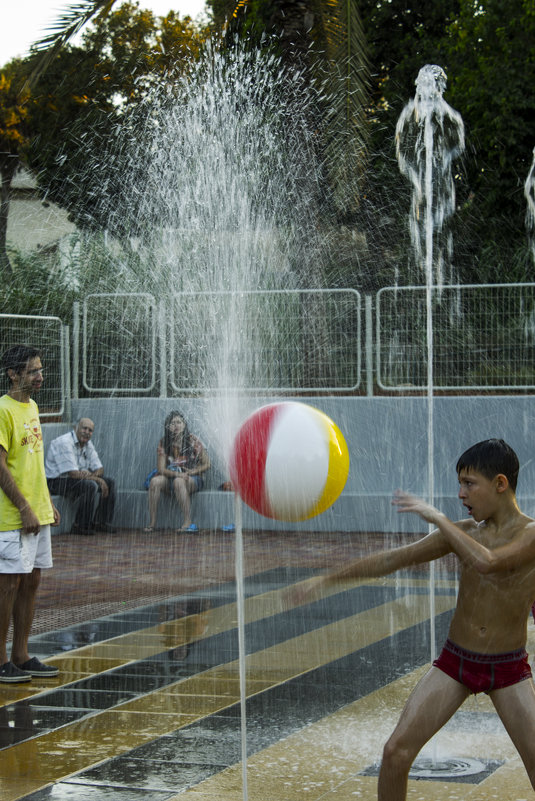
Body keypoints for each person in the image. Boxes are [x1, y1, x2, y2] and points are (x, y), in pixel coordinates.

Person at [291, 439, 535, 800]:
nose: (460, 493)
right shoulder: (465, 532)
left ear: (500, 484)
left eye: (469, 484)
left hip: (509, 668)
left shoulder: (531, 533)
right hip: (457, 662)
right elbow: (394, 559)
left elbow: (490, 563)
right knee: (395, 753)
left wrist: (437, 518)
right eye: (460, 484)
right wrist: (326, 579)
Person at [0, 344, 60, 683]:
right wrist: (23, 506)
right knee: (8, 584)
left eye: (40, 369)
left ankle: (21, 655)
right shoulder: (3, 410)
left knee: (32, 581)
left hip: (37, 511)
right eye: (33, 371)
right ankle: (1, 659)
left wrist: (46, 502)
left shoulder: (33, 407)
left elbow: (33, 462)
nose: (40, 376)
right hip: (11, 515)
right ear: (13, 374)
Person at [45, 418, 116, 535]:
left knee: (110, 483)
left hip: (74, 479)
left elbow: (100, 468)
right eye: (84, 428)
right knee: (90, 485)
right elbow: (73, 474)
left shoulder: (87, 443)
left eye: (90, 430)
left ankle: (101, 522)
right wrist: (96, 479)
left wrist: (92, 475)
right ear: (76, 428)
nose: (87, 432)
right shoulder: (64, 442)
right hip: (55, 481)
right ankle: (80, 525)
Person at [144, 410, 210, 533]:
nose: (176, 426)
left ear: (184, 425)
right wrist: (177, 474)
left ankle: (187, 521)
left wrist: (192, 472)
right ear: (168, 427)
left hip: (193, 479)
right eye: (173, 423)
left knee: (179, 482)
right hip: (172, 476)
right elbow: (161, 469)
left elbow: (207, 464)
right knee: (154, 482)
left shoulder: (193, 441)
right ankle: (152, 522)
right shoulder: (164, 442)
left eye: (179, 422)